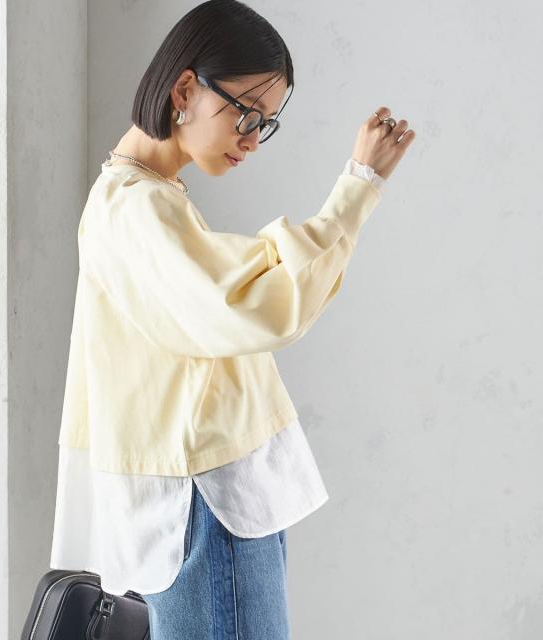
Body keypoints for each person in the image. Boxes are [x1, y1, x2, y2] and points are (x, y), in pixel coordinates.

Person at [49, 1, 415, 638]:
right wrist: (356, 187)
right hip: (203, 505)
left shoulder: (142, 199)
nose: (251, 137)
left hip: (202, 501)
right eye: (246, 112)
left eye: (265, 123)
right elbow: (251, 303)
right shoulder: (135, 208)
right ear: (185, 90)